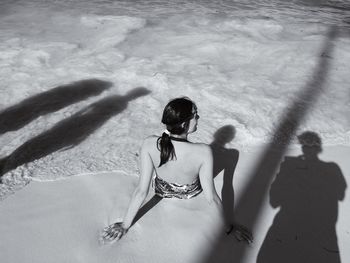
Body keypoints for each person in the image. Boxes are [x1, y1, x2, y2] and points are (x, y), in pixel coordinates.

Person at [100, 97, 252, 244]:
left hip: (161, 190)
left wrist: (125, 225)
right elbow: (211, 197)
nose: (198, 118)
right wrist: (229, 227)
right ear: (185, 123)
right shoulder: (203, 151)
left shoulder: (149, 143)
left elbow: (141, 190)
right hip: (189, 193)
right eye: (195, 115)